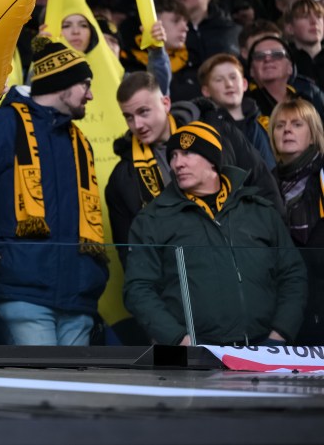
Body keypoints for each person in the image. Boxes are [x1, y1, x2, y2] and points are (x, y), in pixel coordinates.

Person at [0, 37, 109, 346]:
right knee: (41, 389)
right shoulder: (1, 124)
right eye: (85, 84)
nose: (91, 94)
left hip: (78, 299)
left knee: (74, 393)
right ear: (61, 83)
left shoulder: (79, 140)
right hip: (19, 293)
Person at [124, 121, 307, 346]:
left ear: (212, 160)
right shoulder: (152, 219)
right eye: (173, 156)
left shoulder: (259, 211)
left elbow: (293, 275)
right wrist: (178, 339)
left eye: (187, 153)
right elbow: (138, 289)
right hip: (194, 357)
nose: (177, 163)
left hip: (264, 350)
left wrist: (280, 334)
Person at [107, 72, 283, 261]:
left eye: (143, 112)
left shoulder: (220, 134)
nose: (137, 125)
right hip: (176, 280)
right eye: (128, 117)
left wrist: (274, 255)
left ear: (165, 103)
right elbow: (130, 252)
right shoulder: (122, 177)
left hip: (246, 261)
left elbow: (264, 189)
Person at [269, 98, 324, 344]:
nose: (287, 130)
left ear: (313, 135)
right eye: (279, 126)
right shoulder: (264, 185)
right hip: (284, 306)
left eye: (296, 124)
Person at [198, 54, 276, 170]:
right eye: (219, 80)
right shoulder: (205, 128)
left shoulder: (261, 124)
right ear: (206, 91)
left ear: (244, 84)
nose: (228, 84)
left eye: (233, 77)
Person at [245, 34, 324, 129]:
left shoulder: (311, 96)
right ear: (251, 71)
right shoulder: (244, 106)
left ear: (290, 67)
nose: (267, 59)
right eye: (259, 56)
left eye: (277, 54)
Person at [284, 0, 324, 87]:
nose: (314, 22)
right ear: (290, 28)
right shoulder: (284, 63)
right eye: (305, 17)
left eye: (318, 16)